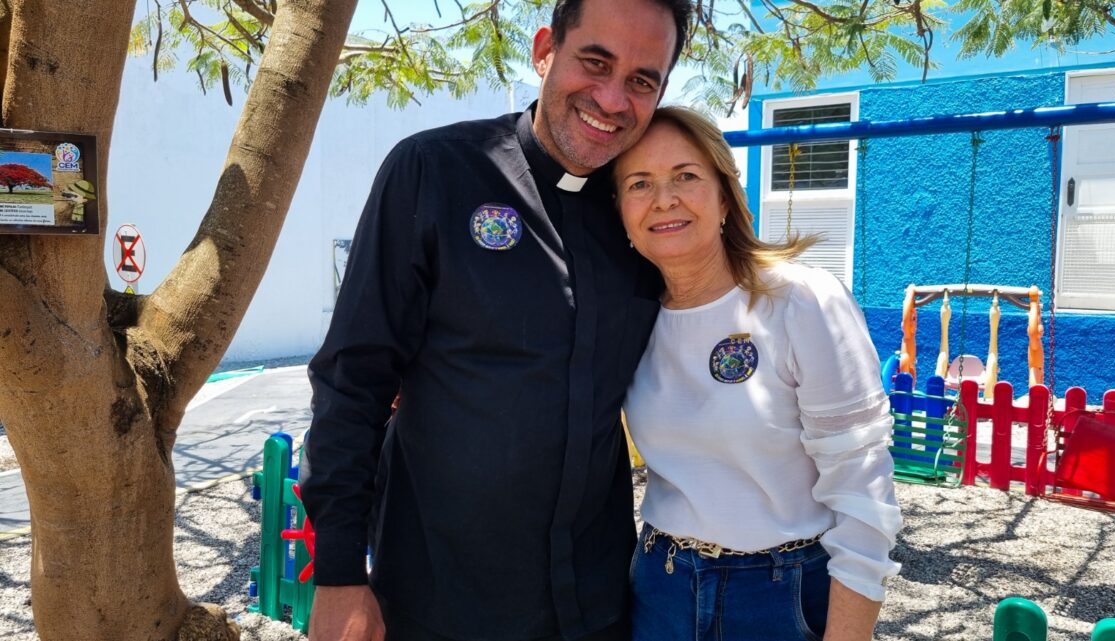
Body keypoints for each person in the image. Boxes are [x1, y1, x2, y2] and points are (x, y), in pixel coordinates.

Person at [300, 1, 692, 640]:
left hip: (599, 604)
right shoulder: (433, 173)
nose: (612, 98)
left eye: (642, 80)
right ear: (545, 50)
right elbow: (353, 379)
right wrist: (339, 573)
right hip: (439, 602)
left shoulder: (643, 212)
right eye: (595, 62)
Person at [614, 106, 903, 641]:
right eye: (639, 183)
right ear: (621, 210)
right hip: (660, 586)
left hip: (778, 593)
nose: (664, 199)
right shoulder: (629, 316)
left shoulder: (801, 300)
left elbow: (863, 493)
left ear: (724, 196)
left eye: (686, 176)